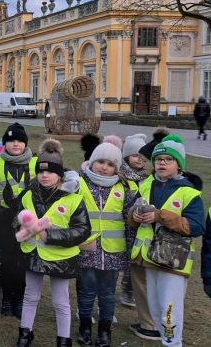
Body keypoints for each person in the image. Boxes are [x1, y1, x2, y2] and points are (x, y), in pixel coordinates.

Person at [129, 135, 205, 347]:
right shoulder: (146, 186)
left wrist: (159, 216)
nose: (162, 163)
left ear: (178, 164)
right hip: (148, 258)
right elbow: (131, 217)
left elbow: (196, 227)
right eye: (158, 159)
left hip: (173, 262)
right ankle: (167, 342)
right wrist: (134, 217)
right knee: (155, 309)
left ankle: (173, 344)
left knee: (169, 311)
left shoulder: (189, 193)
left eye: (168, 159)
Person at [15, 139, 91, 347]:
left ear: (60, 174)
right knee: (30, 296)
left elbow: (83, 230)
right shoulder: (29, 194)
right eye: (41, 172)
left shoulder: (73, 199)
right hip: (33, 253)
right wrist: (23, 229)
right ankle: (24, 335)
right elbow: (16, 219)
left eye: (50, 172)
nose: (45, 176)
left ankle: (63, 340)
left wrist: (50, 236)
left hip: (62, 257)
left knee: (61, 302)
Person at [76, 142, 139, 347]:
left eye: (110, 164)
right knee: (86, 291)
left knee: (108, 293)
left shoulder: (125, 188)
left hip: (113, 251)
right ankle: (85, 327)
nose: (104, 167)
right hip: (87, 249)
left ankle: (104, 331)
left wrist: (130, 249)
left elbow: (130, 222)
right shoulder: (79, 183)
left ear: (117, 168)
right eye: (100, 162)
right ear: (92, 162)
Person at [0, 122, 38, 317]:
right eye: (10, 141)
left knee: (23, 261)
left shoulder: (36, 162)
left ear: (25, 143)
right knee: (7, 261)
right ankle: (7, 299)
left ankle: (20, 300)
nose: (15, 144)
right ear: (4, 143)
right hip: (4, 220)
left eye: (19, 141)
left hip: (28, 221)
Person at [118, 134, 149, 310]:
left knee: (135, 262)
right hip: (121, 226)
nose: (139, 159)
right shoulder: (120, 177)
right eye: (135, 155)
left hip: (139, 227)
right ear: (126, 156)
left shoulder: (146, 178)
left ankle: (129, 289)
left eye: (142, 156)